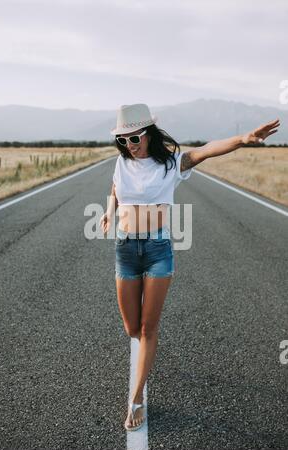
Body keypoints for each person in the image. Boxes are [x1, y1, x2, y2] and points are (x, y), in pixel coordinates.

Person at [99, 103, 280, 431]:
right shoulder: (121, 163)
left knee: (147, 329)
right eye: (123, 140)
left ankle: (137, 398)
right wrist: (110, 211)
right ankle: (144, 362)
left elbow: (207, 150)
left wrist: (242, 138)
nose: (130, 145)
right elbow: (114, 189)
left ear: (148, 134)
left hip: (157, 250)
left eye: (135, 138)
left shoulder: (171, 163)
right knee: (131, 329)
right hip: (125, 250)